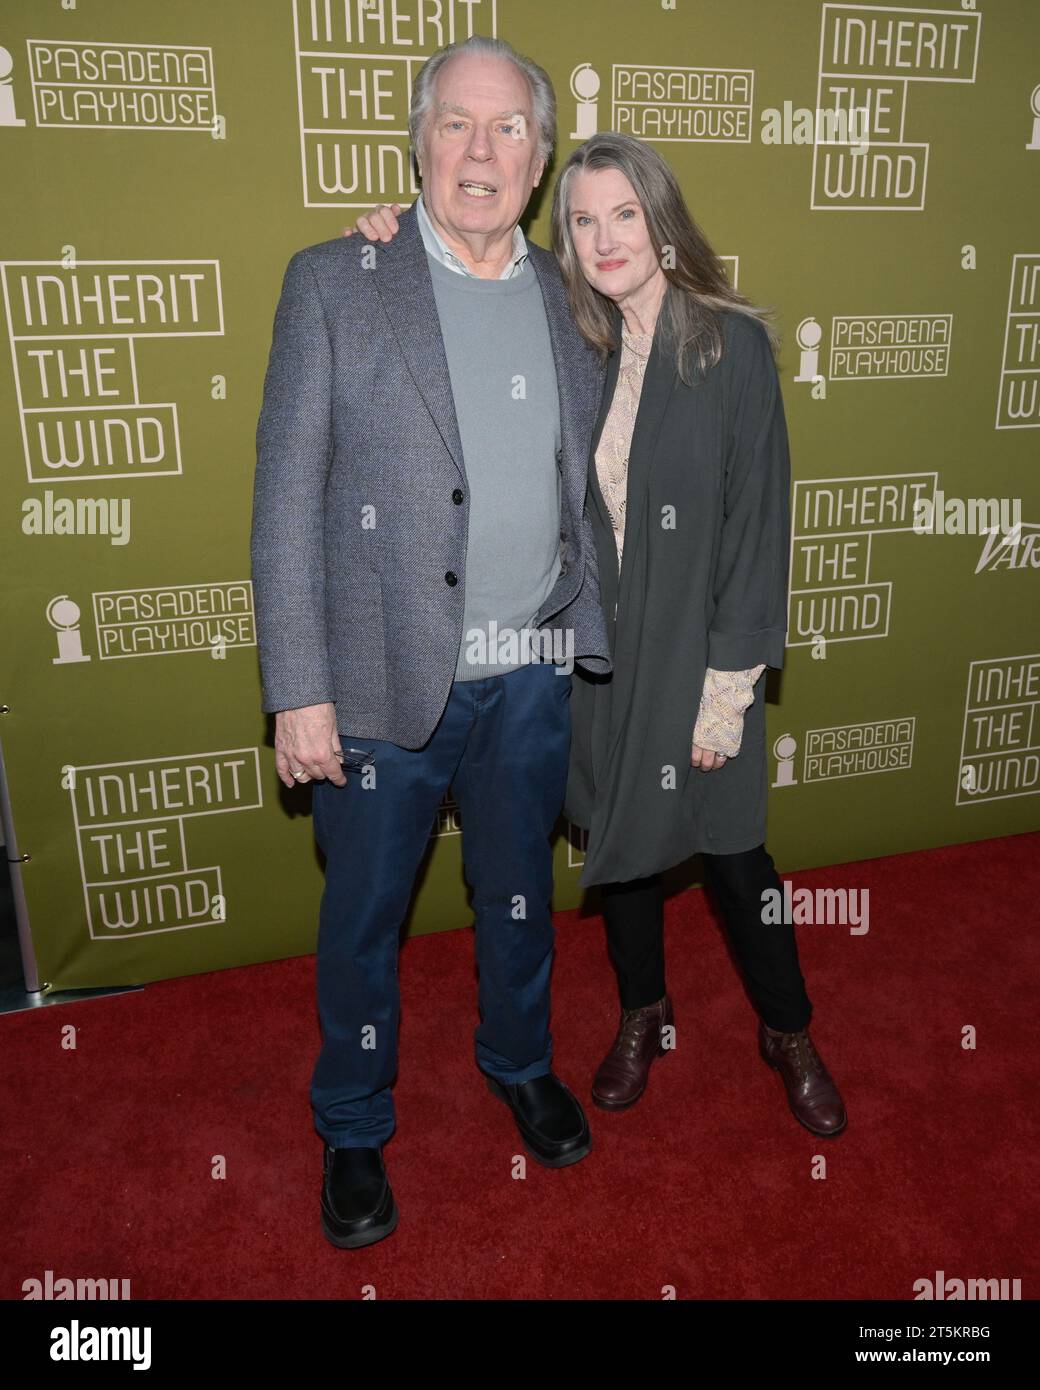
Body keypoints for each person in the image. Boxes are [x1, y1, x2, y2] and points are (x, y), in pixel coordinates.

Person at [351, 133, 848, 1141]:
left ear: (661, 224)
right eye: (580, 219)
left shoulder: (729, 345)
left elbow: (758, 529)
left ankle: (788, 1029)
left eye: (623, 213)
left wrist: (725, 690)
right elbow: (455, 283)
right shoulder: (566, 340)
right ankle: (642, 1013)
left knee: (734, 851)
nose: (602, 236)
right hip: (596, 655)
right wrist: (389, 236)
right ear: (562, 240)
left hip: (701, 656)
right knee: (618, 850)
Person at [251, 35, 612, 1251]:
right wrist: (298, 687)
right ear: (415, 137)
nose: (478, 151)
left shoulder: (577, 297)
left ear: (540, 154)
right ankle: (351, 1121)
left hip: (530, 671)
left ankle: (518, 1060)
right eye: (454, 123)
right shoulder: (335, 278)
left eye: (507, 128)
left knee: (518, 897)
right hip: (373, 678)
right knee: (364, 918)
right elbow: (285, 496)